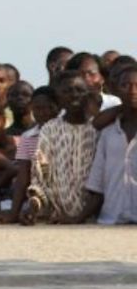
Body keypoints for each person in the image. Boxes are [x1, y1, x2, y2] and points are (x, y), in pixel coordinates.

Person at [26, 73, 97, 224]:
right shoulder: (45, 131)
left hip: (94, 217)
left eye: (80, 90)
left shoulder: (98, 129)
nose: (74, 95)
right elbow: (36, 174)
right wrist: (33, 206)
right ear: (59, 97)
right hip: (57, 216)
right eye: (67, 91)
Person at [83, 58, 137, 225]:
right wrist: (78, 218)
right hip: (110, 220)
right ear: (116, 91)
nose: (133, 91)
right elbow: (98, 186)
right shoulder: (109, 133)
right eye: (125, 85)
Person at [0, 85, 59, 223]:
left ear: (57, 107)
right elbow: (23, 176)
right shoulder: (29, 136)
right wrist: (14, 212)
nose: (43, 112)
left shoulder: (64, 133)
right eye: (37, 108)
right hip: (40, 200)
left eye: (48, 107)